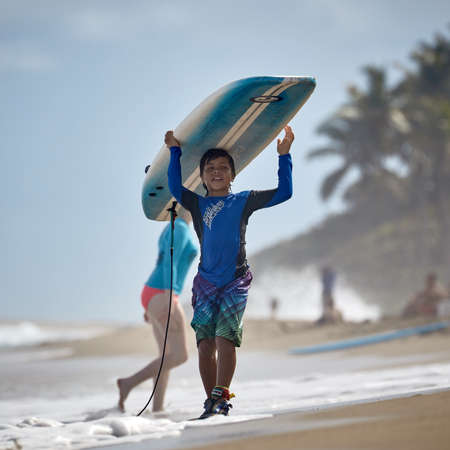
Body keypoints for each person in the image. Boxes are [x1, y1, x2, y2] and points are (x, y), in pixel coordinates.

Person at [165, 125, 294, 418]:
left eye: (224, 167)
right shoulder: (197, 203)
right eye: (210, 168)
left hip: (235, 280)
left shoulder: (243, 200)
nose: (217, 172)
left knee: (225, 340)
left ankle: (221, 398)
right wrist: (174, 151)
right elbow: (174, 187)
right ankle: (210, 402)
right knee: (204, 344)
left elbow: (285, 192)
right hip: (206, 283)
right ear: (202, 176)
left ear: (233, 175)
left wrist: (284, 156)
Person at [117, 207, 197, 413]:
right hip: (164, 292)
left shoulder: (172, 228)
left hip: (155, 292)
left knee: (167, 356)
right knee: (180, 356)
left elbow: (160, 261)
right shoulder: (179, 228)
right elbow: (169, 262)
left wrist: (151, 304)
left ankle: (157, 410)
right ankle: (128, 383)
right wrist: (169, 297)